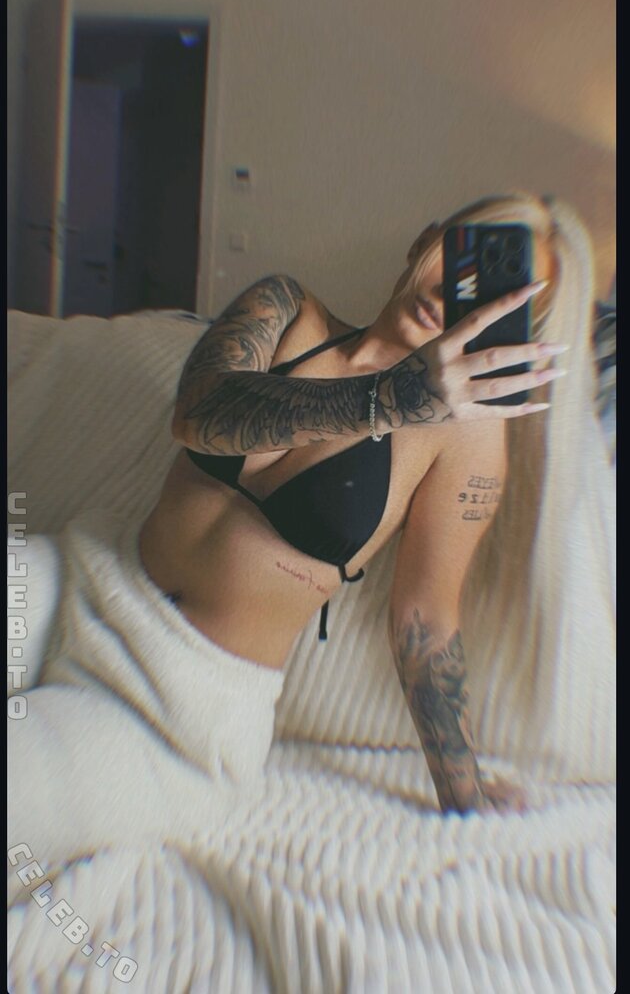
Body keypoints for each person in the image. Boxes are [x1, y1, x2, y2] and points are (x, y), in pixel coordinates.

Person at [137, 191, 586, 817]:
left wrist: (463, 787)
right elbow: (196, 414)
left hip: (193, 702)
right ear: (425, 241)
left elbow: (426, 615)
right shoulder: (284, 308)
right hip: (85, 582)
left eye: (500, 289)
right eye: (464, 254)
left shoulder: (468, 439)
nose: (459, 290)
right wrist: (387, 398)